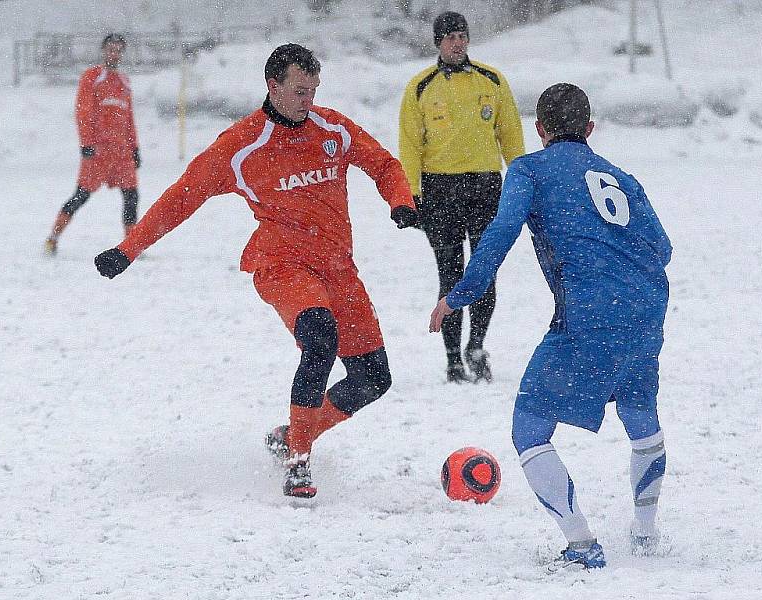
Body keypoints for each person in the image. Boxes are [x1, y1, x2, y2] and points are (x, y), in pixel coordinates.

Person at [94, 44, 419, 498]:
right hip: (281, 263)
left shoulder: (332, 129)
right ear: (274, 86)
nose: (309, 101)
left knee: (373, 378)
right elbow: (183, 196)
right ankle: (299, 459)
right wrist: (127, 250)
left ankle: (294, 433)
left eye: (314, 90)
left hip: (338, 268)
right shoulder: (242, 144)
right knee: (319, 336)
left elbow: (384, 164)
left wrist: (400, 202)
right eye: (300, 91)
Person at [430, 83, 672, 568]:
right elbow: (663, 248)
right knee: (640, 417)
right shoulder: (621, 176)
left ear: (538, 130)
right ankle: (645, 533)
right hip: (646, 307)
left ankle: (581, 544)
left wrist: (461, 293)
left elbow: (500, 231)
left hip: (589, 311)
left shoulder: (530, 168)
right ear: (589, 130)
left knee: (530, 427)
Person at [399, 11, 524, 383]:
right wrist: (411, 196)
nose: (457, 42)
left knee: (484, 272)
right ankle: (453, 357)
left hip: (486, 187)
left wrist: (523, 183)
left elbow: (511, 136)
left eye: (462, 36)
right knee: (450, 274)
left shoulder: (492, 80)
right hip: (440, 190)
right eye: (450, 37)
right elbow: (410, 145)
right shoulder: (421, 86)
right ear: (438, 42)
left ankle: (477, 346)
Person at [45, 33, 141, 255]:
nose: (114, 54)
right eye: (110, 49)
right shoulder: (92, 77)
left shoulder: (124, 82)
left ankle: (131, 246)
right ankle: (53, 237)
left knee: (131, 196)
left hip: (122, 152)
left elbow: (129, 119)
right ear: (103, 51)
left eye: (118, 50)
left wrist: (135, 147)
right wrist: (86, 143)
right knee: (81, 195)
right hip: (98, 152)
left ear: (122, 53)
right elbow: (83, 112)